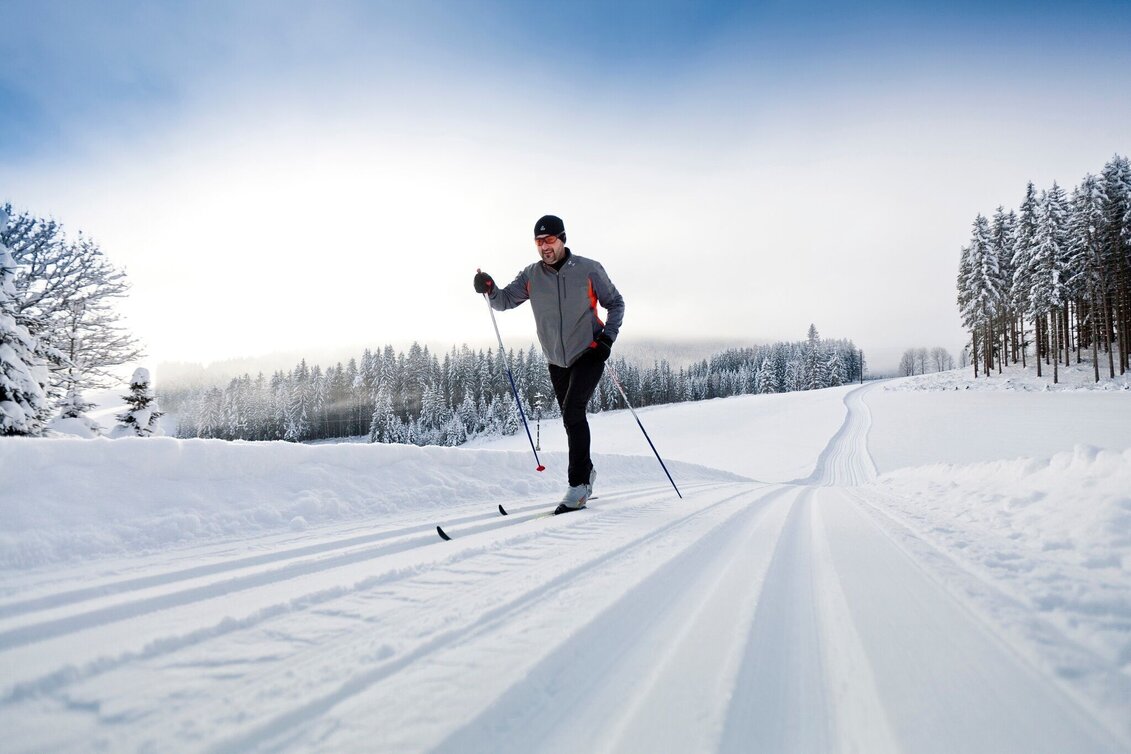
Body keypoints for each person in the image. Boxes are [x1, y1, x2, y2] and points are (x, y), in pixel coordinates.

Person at [474, 215, 625, 513]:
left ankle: (578, 486)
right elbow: (503, 301)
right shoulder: (531, 275)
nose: (544, 247)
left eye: (550, 240)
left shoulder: (588, 269)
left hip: (589, 352)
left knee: (573, 411)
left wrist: (607, 340)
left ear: (562, 239)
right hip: (556, 360)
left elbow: (616, 303)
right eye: (539, 242)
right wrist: (489, 288)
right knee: (571, 419)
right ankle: (587, 471)